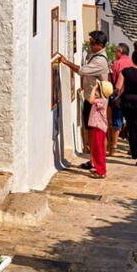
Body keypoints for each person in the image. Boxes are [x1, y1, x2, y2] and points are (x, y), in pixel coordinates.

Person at [55, 30, 109, 170]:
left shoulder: (100, 61)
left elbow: (82, 71)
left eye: (92, 43)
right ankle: (93, 160)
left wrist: (66, 62)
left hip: (96, 103)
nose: (90, 45)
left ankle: (100, 164)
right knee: (90, 131)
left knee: (98, 135)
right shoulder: (94, 55)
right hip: (89, 99)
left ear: (100, 45)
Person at [115, 41, 137, 160]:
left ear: (132, 59)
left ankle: (134, 154)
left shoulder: (126, 71)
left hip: (128, 103)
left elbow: (118, 87)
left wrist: (117, 97)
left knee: (132, 128)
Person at [109, 43, 133, 154]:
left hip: (119, 95)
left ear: (120, 51)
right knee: (130, 121)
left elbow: (112, 81)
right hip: (131, 95)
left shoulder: (117, 64)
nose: (115, 53)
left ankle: (114, 146)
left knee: (117, 120)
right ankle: (131, 147)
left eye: (116, 51)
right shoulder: (132, 63)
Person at [88, 79, 113, 178]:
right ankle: (99, 168)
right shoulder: (102, 100)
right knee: (96, 149)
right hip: (97, 127)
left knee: (99, 150)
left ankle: (101, 171)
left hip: (99, 128)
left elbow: (91, 100)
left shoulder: (102, 101)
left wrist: (94, 88)